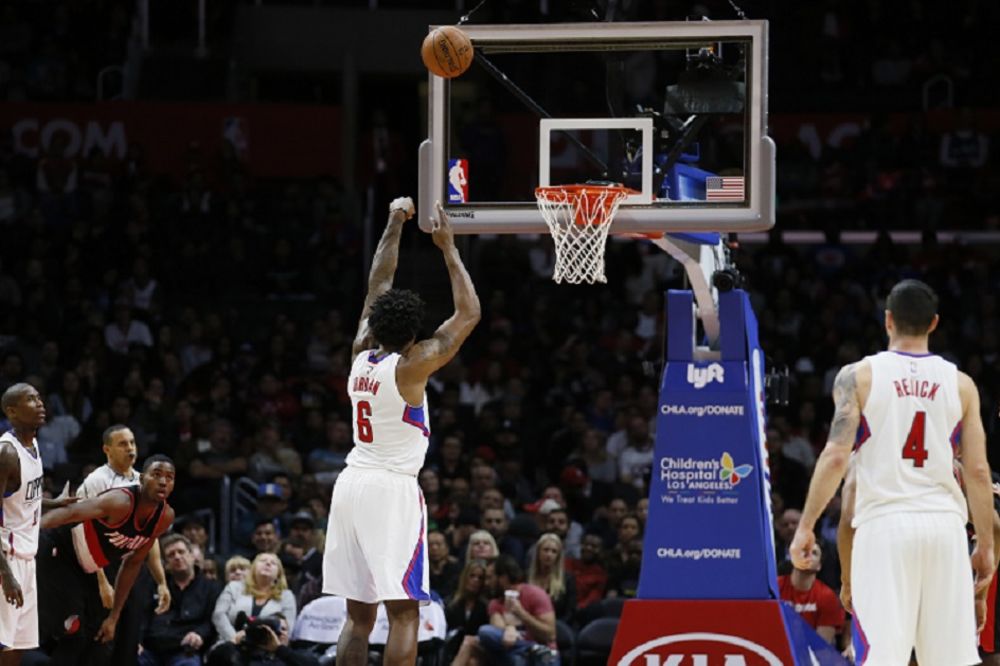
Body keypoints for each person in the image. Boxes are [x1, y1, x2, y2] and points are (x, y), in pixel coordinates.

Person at [791, 279, 995, 665]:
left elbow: (836, 455)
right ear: (933, 323)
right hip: (945, 529)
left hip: (885, 527)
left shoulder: (858, 377)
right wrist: (984, 545)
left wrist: (806, 526)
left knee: (882, 659)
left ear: (888, 320)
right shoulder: (962, 385)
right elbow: (979, 472)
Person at [322, 197, 480, 666]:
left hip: (349, 484)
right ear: (414, 334)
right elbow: (468, 314)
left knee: (358, 615)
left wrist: (394, 221)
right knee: (406, 613)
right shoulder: (412, 367)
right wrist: (449, 248)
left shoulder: (359, 351)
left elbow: (378, 282)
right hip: (391, 490)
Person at [37, 455, 177, 665]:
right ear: (141, 479)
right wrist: (27, 533)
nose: (163, 482)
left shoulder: (164, 517)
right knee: (71, 627)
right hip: (60, 551)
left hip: (89, 567)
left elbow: (133, 563)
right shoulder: (120, 502)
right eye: (156, 475)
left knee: (98, 639)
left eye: (169, 477)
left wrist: (114, 616)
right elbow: (69, 513)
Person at [77, 425, 172, 665]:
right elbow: (82, 531)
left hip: (133, 567)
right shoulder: (96, 480)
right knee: (101, 641)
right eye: (122, 444)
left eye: (132, 443)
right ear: (106, 449)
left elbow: (151, 535)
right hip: (102, 565)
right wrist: (101, 581)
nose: (130, 448)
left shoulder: (145, 479)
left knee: (129, 640)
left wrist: (161, 581)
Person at [0, 383, 73, 665]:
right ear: (12, 411)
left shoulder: (34, 444)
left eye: (39, 397)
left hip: (27, 557)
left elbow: (24, 502)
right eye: (30, 399)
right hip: (7, 557)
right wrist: (5, 574)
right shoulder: (6, 453)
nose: (40, 403)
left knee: (17, 644)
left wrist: (58, 503)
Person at [139, 533, 221, 666]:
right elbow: (143, 616)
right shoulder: (156, 586)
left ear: (191, 556)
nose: (177, 557)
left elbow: (211, 620)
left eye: (181, 552)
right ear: (166, 564)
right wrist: (138, 642)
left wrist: (199, 634)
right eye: (171, 555)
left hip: (184, 649)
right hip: (152, 648)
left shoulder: (211, 588)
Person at [211, 553, 297, 656]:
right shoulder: (234, 587)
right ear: (253, 568)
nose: (268, 563)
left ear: (278, 574)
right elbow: (219, 614)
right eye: (262, 561)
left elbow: (288, 628)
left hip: (267, 651)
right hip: (230, 645)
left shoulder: (286, 596)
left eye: (273, 563)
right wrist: (234, 638)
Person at [777, 541, 844, 645]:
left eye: (814, 553)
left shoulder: (828, 597)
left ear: (819, 566)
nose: (808, 555)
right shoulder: (775, 587)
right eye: (804, 551)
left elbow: (821, 645)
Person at [527, 533, 577, 622]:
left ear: (558, 556)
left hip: (557, 626)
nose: (549, 554)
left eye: (554, 551)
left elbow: (570, 613)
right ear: (538, 552)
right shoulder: (526, 577)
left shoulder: (568, 579)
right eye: (545, 550)